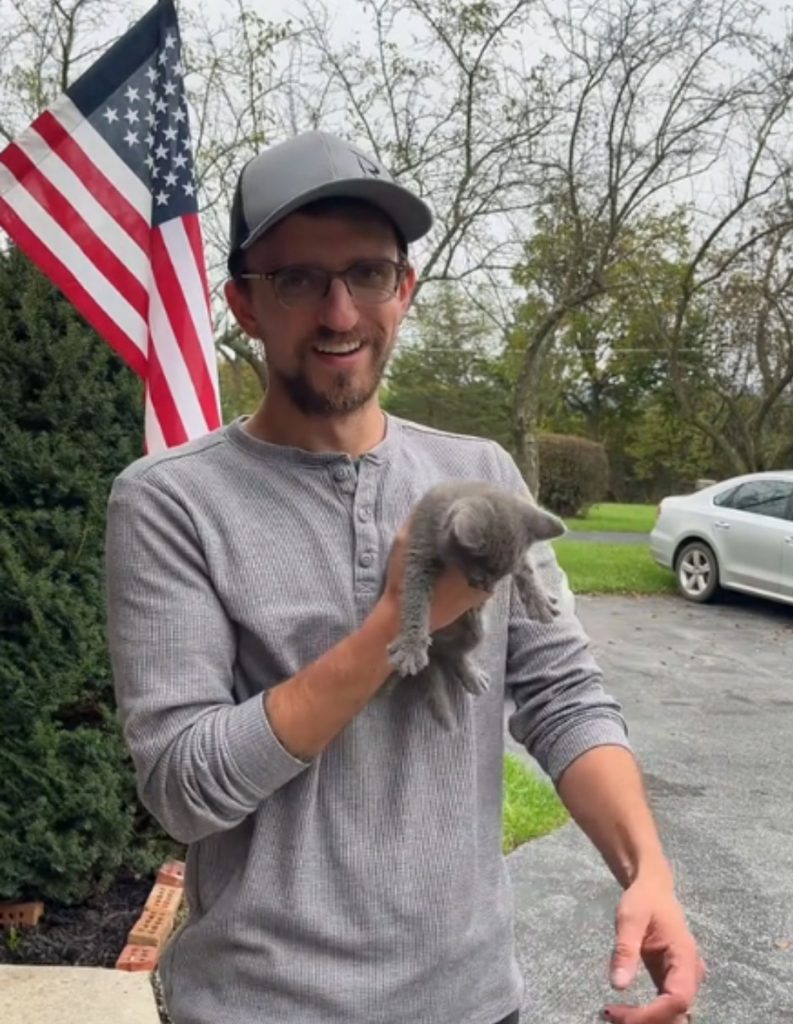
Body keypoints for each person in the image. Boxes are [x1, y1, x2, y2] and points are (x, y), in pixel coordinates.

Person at [105, 130, 703, 1024]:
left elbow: (561, 694)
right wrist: (400, 620)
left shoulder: (485, 473)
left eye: (368, 274)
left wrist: (646, 870)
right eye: (298, 280)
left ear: (405, 290)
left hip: (468, 998)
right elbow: (185, 788)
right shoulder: (171, 502)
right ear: (243, 305)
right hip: (255, 1005)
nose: (340, 312)